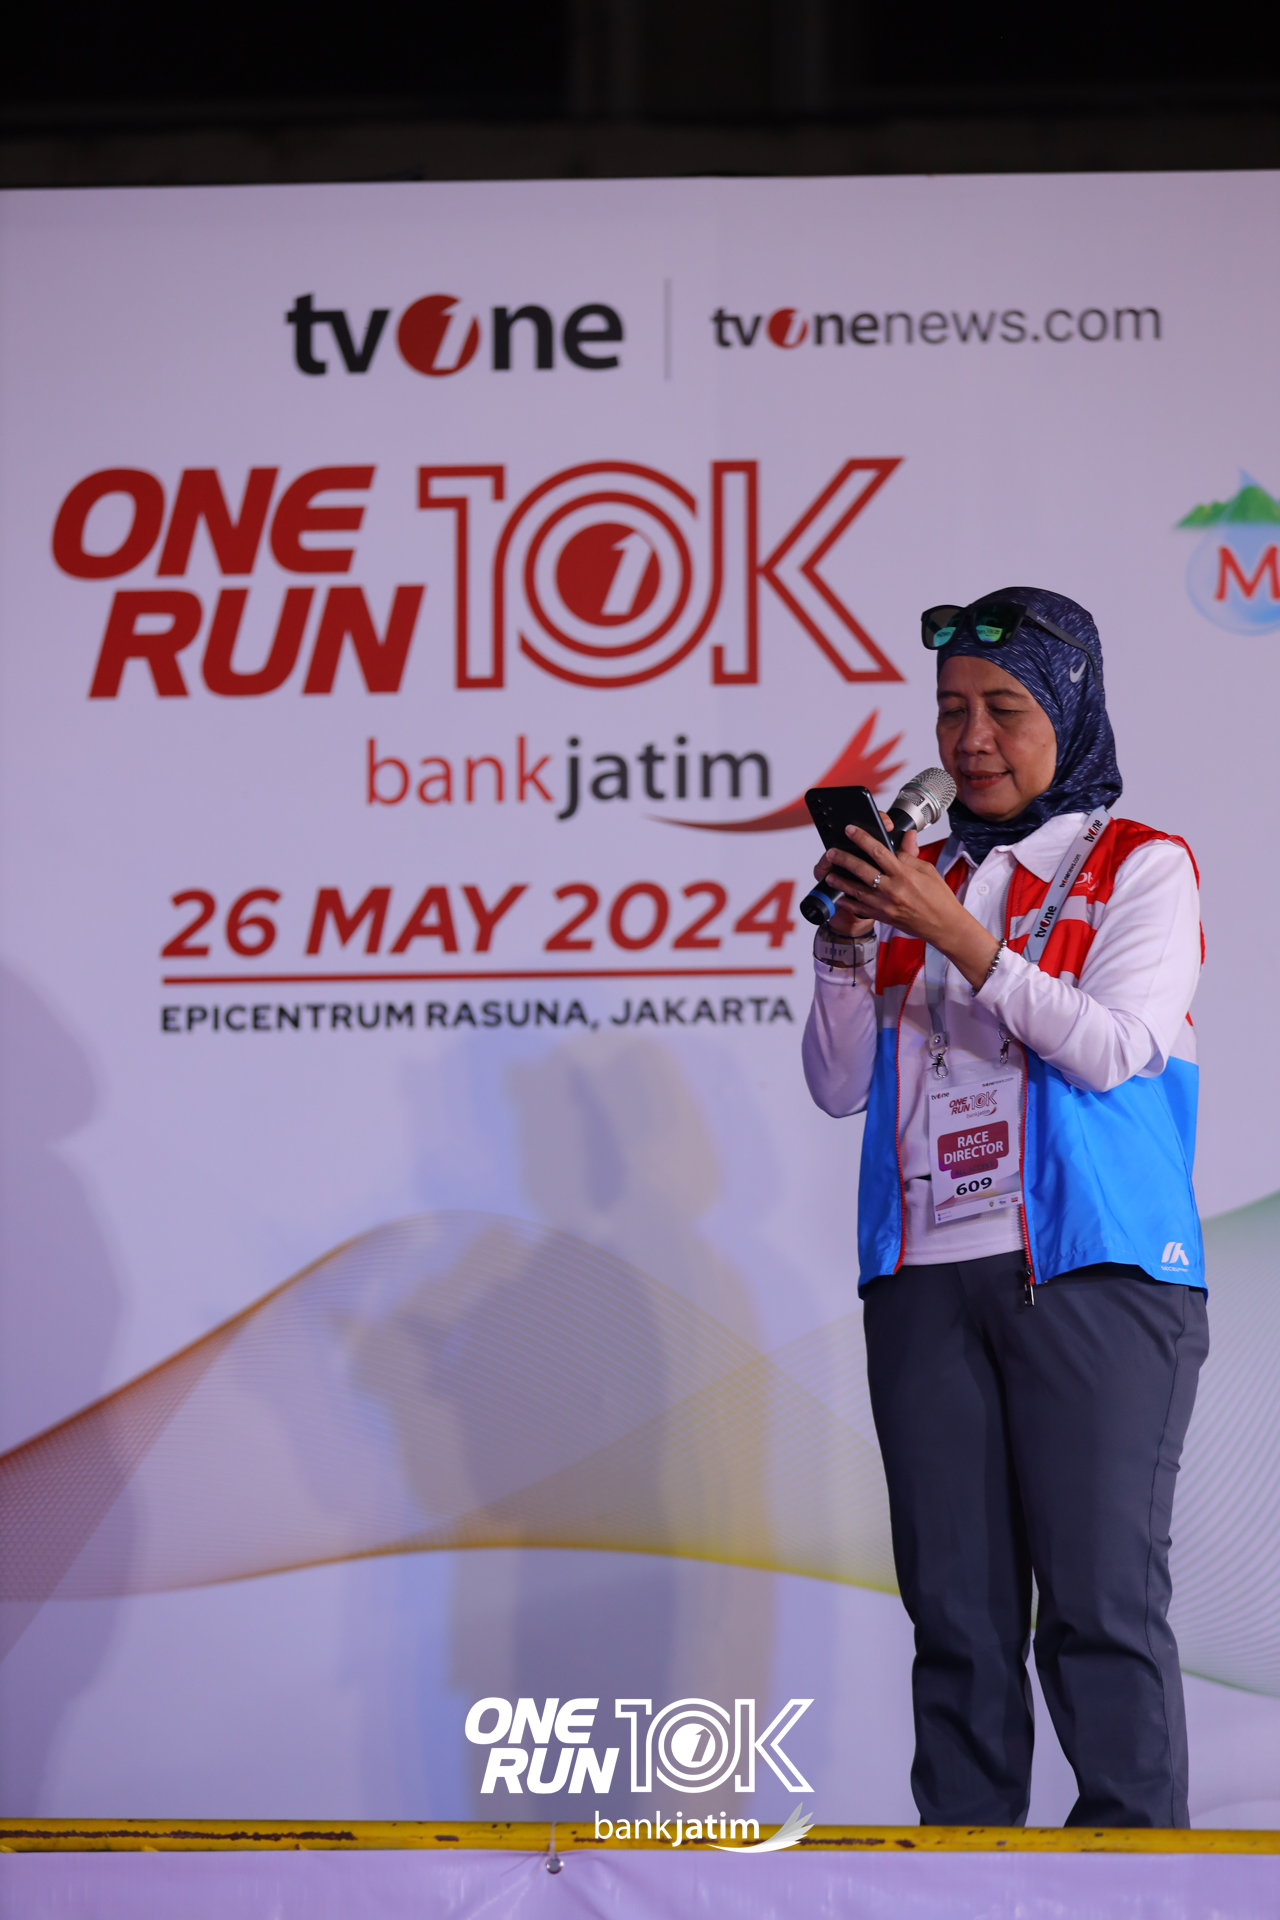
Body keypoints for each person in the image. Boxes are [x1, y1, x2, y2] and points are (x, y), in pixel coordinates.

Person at [802, 588, 1207, 1829]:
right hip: (923, 1276)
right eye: (949, 712)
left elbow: (1112, 1047)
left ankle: (1133, 1890)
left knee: (1096, 1607)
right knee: (955, 1620)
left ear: (1068, 712)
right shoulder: (917, 877)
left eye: (1004, 709)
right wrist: (844, 942)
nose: (969, 739)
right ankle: (963, 1880)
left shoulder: (1138, 864)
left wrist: (960, 939)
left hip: (1092, 1272)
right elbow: (835, 1083)